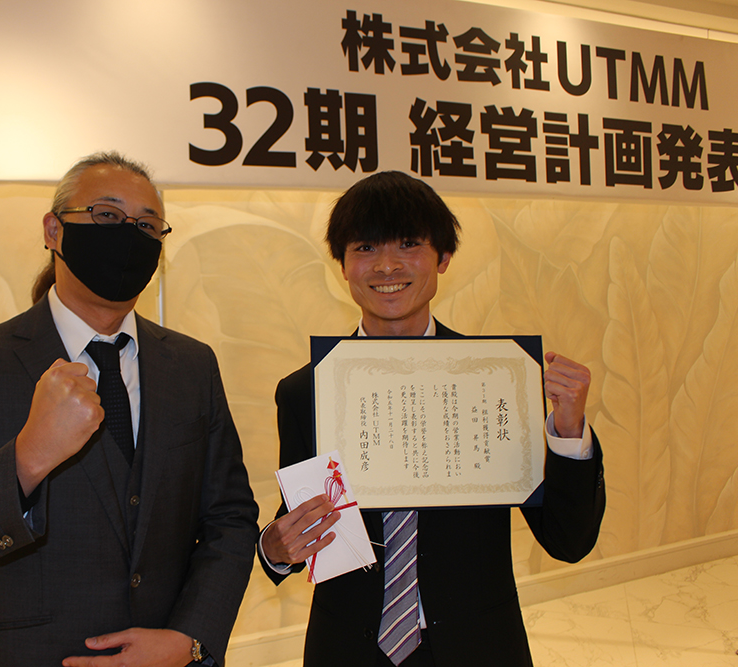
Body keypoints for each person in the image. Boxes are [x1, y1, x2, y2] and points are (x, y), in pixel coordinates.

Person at [0, 151, 259, 667]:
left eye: (147, 225)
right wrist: (28, 457)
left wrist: (189, 639)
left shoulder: (192, 366)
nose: (128, 234)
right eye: (106, 215)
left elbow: (230, 519)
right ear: (54, 230)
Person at [258, 171, 605, 667]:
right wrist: (274, 547)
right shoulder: (304, 391)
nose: (386, 265)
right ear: (343, 266)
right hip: (348, 648)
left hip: (479, 646)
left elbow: (568, 541)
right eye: (365, 248)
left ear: (443, 257)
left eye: (408, 243)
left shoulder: (498, 378)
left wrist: (568, 432)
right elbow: (301, 520)